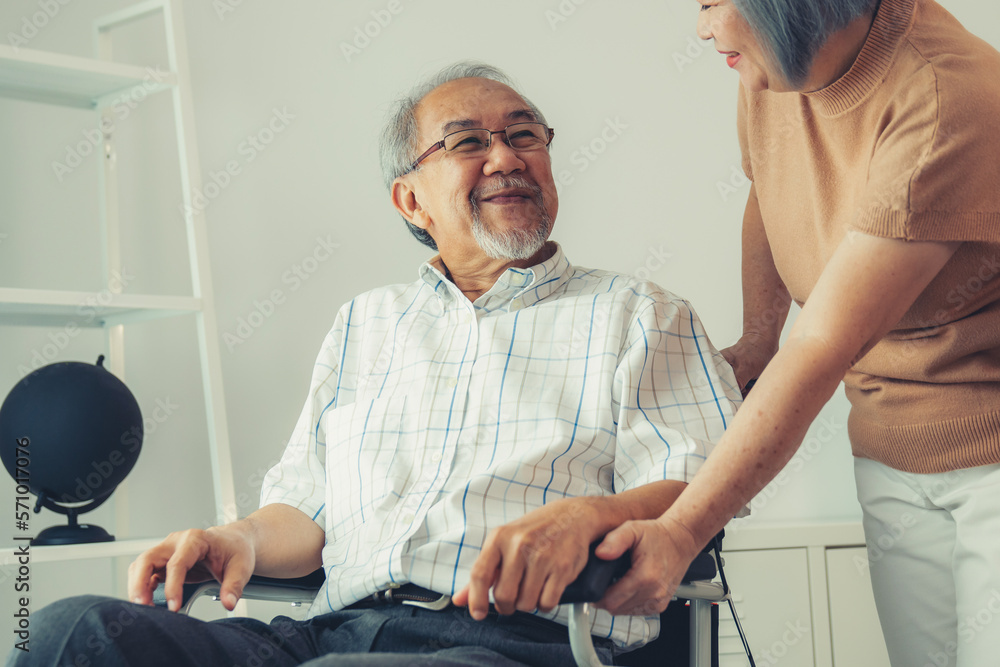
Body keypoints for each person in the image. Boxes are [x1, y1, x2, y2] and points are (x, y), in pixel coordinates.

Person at [10, 62, 740, 667]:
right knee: (70, 637)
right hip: (328, 632)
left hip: (520, 643)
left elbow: (702, 487)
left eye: (524, 136)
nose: (507, 157)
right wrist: (235, 538)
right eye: (467, 142)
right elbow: (306, 511)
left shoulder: (639, 312)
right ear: (411, 199)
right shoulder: (366, 321)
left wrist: (590, 516)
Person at [591, 2, 1000, 666]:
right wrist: (759, 338)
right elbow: (769, 192)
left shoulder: (946, 97)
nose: (702, 29)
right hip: (887, 444)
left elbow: (823, 345)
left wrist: (682, 530)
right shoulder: (776, 69)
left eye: (712, 4)